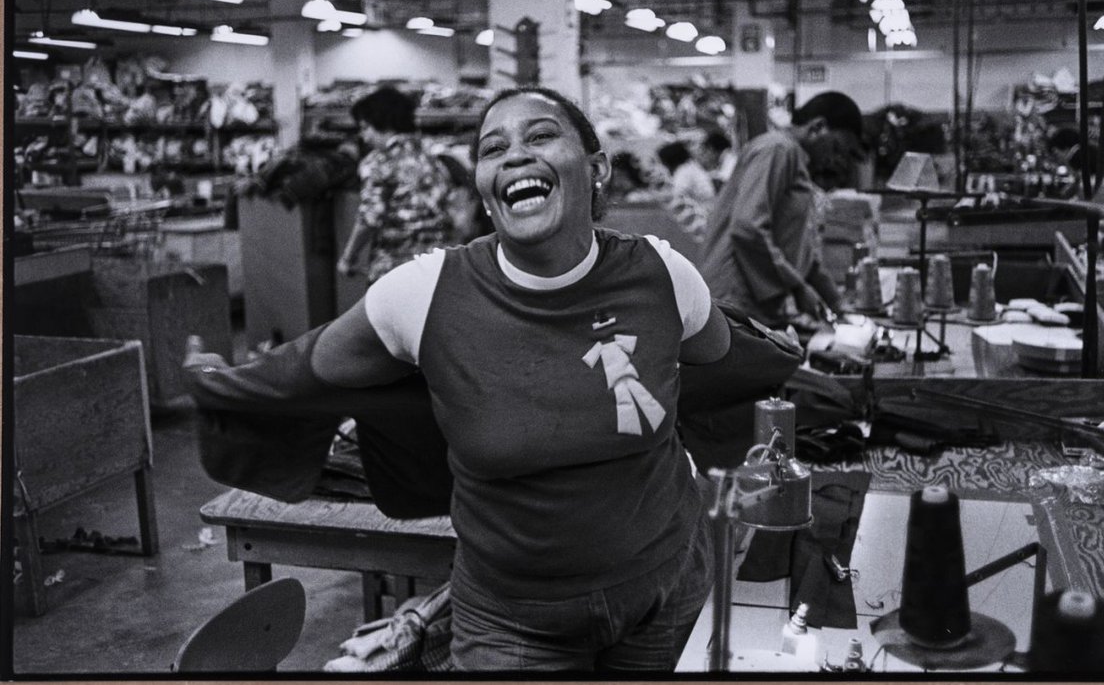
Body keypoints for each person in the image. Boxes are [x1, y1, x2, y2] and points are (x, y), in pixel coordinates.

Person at [186, 86, 731, 672]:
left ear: (597, 168)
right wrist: (217, 380)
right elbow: (302, 370)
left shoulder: (662, 274)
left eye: (541, 135)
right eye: (493, 148)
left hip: (664, 590)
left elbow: (721, 354)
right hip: (513, 623)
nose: (515, 156)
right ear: (482, 184)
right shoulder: (424, 294)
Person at [699, 91, 864, 329]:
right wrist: (798, 288)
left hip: (751, 301)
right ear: (817, 127)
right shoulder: (778, 150)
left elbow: (801, 250)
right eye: (837, 147)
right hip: (733, 295)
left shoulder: (794, 160)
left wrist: (835, 302)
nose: (835, 159)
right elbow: (748, 227)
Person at [337, 86, 456, 283]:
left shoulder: (378, 162)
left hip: (395, 269)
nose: (363, 136)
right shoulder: (433, 157)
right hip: (436, 267)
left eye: (365, 127)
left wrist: (348, 258)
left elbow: (369, 217)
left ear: (381, 123)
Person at [657, 139, 716, 206]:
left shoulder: (684, 171)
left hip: (703, 209)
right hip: (705, 205)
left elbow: (677, 194)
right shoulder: (690, 167)